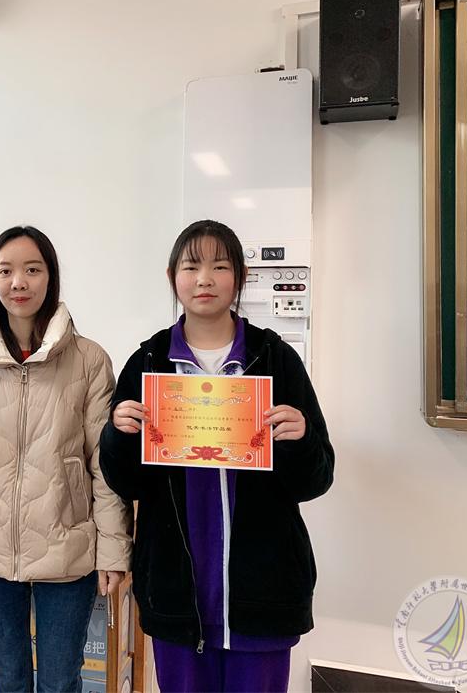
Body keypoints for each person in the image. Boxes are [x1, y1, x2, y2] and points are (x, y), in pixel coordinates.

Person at [99, 219, 334, 693]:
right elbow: (126, 483)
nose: (204, 278)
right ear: (173, 277)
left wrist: (301, 437)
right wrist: (118, 435)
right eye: (191, 266)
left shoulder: (275, 359)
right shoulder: (148, 362)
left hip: (262, 594)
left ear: (239, 277)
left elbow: (316, 478)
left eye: (220, 266)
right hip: (176, 595)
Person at [0, 225, 133, 693]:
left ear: (50, 277)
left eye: (32, 270)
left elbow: (102, 465)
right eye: (6, 271)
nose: (18, 282)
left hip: (67, 548)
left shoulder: (89, 359)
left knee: (61, 682)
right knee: (7, 680)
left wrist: (113, 550)